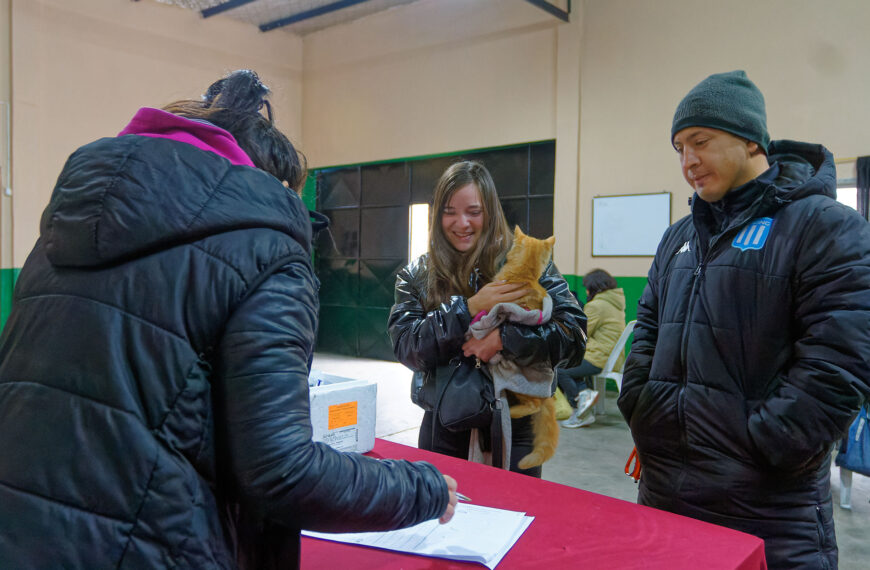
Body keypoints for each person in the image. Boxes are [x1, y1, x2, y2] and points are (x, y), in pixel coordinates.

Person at [0, 70, 457, 569]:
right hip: (150, 544)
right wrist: (420, 488)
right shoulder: (265, 245)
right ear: (273, 185)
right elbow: (282, 472)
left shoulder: (57, 239)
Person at [617, 70, 870, 569]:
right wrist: (641, 405)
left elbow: (842, 361)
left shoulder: (825, 226)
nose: (688, 162)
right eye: (679, 148)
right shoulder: (678, 238)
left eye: (701, 142)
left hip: (768, 512)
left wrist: (769, 443)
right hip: (664, 497)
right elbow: (647, 326)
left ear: (751, 139)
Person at [389, 160, 586, 478]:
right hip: (443, 426)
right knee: (441, 520)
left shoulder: (527, 261)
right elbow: (406, 345)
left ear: (490, 212)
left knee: (515, 515)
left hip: (516, 428)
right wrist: (465, 310)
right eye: (449, 211)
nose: (461, 222)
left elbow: (573, 336)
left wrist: (505, 339)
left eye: (474, 211)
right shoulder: (418, 273)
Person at [558, 268, 626, 428]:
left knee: (559, 369)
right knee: (571, 364)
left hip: (598, 358)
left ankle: (579, 410)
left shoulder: (597, 305)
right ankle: (584, 395)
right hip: (610, 357)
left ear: (593, 287)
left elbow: (581, 334)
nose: (586, 290)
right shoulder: (614, 303)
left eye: (587, 287)